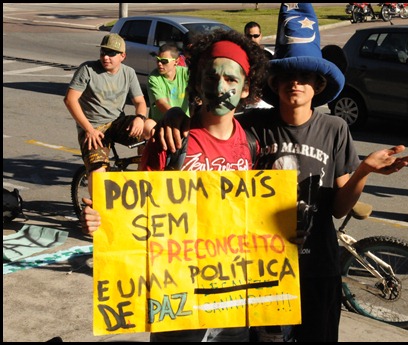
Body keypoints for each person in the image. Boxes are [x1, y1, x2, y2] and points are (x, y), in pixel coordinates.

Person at [158, 3, 408, 342]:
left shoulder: (335, 128)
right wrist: (176, 114)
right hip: (263, 267)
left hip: (317, 267)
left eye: (306, 77)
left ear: (318, 85)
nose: (296, 84)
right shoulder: (251, 127)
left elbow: (339, 208)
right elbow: (214, 124)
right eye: (287, 77)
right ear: (274, 83)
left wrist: (364, 170)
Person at [82, 28, 269, 342]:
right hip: (176, 294)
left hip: (231, 295)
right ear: (196, 82)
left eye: (232, 80)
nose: (221, 87)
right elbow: (136, 211)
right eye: (211, 77)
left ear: (246, 88)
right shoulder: (170, 142)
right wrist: (104, 221)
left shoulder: (253, 144)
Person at [64, 33, 148, 197]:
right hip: (93, 129)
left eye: (111, 53)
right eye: (103, 52)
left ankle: (143, 183)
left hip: (117, 123)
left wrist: (140, 118)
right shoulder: (87, 69)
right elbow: (70, 100)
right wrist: (88, 129)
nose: (106, 57)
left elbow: (140, 102)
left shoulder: (128, 73)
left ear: (123, 56)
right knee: (98, 173)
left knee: (150, 128)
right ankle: (99, 211)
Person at [148, 43, 190, 122]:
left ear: (176, 61)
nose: (159, 64)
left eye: (164, 61)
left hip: (184, 122)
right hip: (162, 123)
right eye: (158, 60)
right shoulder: (153, 78)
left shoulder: (186, 73)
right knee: (148, 124)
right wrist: (180, 120)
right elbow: (161, 103)